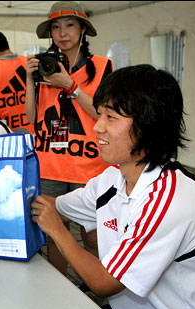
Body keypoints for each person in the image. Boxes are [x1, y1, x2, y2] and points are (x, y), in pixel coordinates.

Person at [31, 64, 195, 309]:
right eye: (99, 115)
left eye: (110, 117)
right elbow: (56, 207)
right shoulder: (112, 179)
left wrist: (56, 230)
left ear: (148, 125)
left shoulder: (170, 197)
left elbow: (103, 282)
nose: (97, 127)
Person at [24, 1, 114, 276]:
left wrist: (70, 86)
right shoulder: (46, 66)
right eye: (56, 27)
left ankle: (104, 285)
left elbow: (103, 112)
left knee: (92, 236)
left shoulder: (102, 66)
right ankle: (60, 291)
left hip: (89, 163)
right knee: (55, 232)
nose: (62, 33)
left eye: (70, 25)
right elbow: (31, 117)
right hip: (51, 162)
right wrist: (31, 80)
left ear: (83, 30)